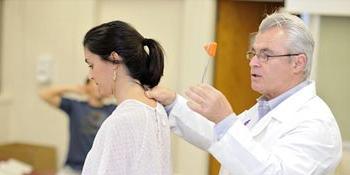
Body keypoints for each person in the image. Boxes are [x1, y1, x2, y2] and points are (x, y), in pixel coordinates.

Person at [146, 12, 342, 175]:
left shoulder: (315, 123)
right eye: (254, 53)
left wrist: (225, 120)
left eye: (266, 55)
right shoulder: (265, 109)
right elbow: (216, 135)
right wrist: (173, 104)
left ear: (298, 63)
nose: (253, 62)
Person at [81, 20, 171, 175]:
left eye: (91, 65)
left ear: (114, 60)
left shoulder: (120, 122)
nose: (91, 75)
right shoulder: (157, 110)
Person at [39, 78, 116, 175]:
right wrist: (73, 88)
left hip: (99, 169)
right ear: (87, 86)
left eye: (102, 84)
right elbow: (44, 94)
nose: (99, 85)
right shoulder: (75, 106)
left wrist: (113, 92)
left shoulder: (113, 110)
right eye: (96, 83)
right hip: (73, 168)